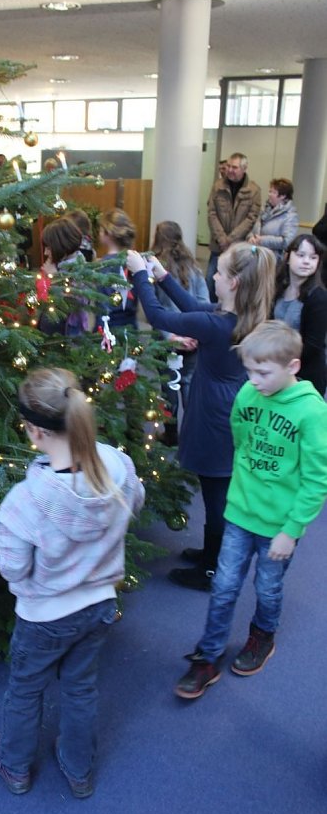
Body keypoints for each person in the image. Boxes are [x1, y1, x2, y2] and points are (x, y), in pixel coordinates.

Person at [0, 367, 145, 798]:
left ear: (35, 432)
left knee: (25, 689)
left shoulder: (22, 503)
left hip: (43, 617)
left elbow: (14, 570)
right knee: (81, 687)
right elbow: (135, 504)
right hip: (99, 607)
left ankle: (15, 765)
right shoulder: (118, 464)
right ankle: (79, 770)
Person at [175, 321, 327, 699]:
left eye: (263, 372)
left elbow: (316, 479)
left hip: (278, 525)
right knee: (224, 586)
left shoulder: (311, 412)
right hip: (240, 513)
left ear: (292, 367)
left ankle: (262, 635)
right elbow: (241, 440)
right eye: (249, 370)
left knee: (268, 587)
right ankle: (208, 655)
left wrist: (291, 530)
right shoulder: (248, 394)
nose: (253, 379)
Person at [127, 243, 276, 590]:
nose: (215, 277)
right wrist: (162, 276)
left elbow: (161, 318)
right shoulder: (240, 316)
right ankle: (212, 553)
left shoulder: (216, 324)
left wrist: (139, 275)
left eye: (220, 273)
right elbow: (194, 307)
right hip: (230, 408)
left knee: (216, 493)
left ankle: (212, 569)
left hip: (215, 415)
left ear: (234, 283)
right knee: (218, 487)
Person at [149, 221, 210, 445]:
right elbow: (204, 302)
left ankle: (171, 433)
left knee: (168, 387)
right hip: (194, 340)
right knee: (189, 385)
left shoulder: (155, 270)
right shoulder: (194, 267)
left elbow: (154, 309)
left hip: (168, 342)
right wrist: (194, 334)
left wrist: (171, 337)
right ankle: (194, 434)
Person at [273, 233, 327, 395]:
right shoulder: (279, 289)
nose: (306, 262)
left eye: (313, 257)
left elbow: (313, 345)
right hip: (278, 365)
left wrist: (282, 363)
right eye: (301, 255)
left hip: (304, 375)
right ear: (288, 257)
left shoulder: (318, 296)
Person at [206, 153, 261, 301]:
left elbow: (251, 218)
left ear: (244, 168)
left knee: (236, 284)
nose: (229, 170)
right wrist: (222, 238)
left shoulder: (254, 190)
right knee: (211, 282)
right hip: (219, 245)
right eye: (228, 166)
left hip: (239, 247)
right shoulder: (217, 186)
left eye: (234, 167)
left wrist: (230, 239)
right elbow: (212, 213)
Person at [39, 217, 88, 336]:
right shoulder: (61, 264)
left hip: (64, 333)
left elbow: (72, 302)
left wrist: (54, 276)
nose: (45, 253)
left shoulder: (76, 268)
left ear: (62, 246)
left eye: (49, 248)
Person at [95, 209, 138, 331]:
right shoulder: (135, 260)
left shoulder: (103, 265)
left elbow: (102, 305)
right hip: (131, 325)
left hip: (108, 327)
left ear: (108, 233)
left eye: (101, 230)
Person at [248, 178, 299, 262]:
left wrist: (262, 240)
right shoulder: (264, 210)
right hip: (255, 255)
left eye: (273, 192)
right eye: (269, 191)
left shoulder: (290, 216)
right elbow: (253, 228)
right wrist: (250, 237)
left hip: (272, 260)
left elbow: (287, 241)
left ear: (283, 196)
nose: (269, 194)